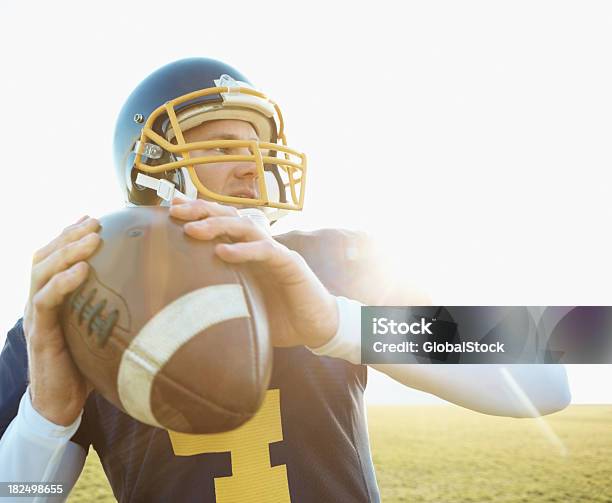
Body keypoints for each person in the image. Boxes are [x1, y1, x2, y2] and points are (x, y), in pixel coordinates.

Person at [0, 58, 570, 503]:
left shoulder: (331, 260)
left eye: (256, 146)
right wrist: (46, 419)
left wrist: (342, 324)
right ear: (152, 170)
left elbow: (545, 376)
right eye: (223, 146)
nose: (252, 165)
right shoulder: (73, 308)